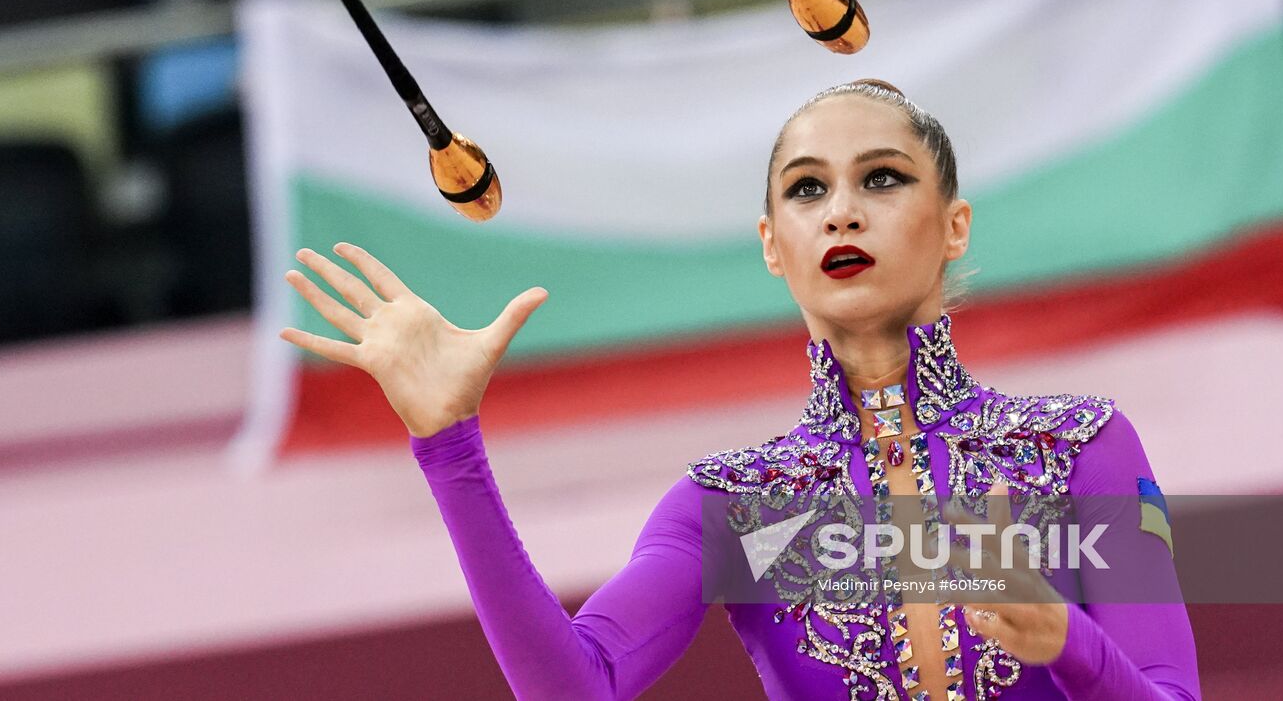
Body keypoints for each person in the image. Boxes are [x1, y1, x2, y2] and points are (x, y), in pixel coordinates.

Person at [280, 79, 1200, 700]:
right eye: (808, 189)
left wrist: (1065, 640)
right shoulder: (736, 512)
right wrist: (449, 446)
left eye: (882, 178)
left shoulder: (1080, 447)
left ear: (954, 225)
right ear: (771, 243)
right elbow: (578, 686)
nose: (842, 208)